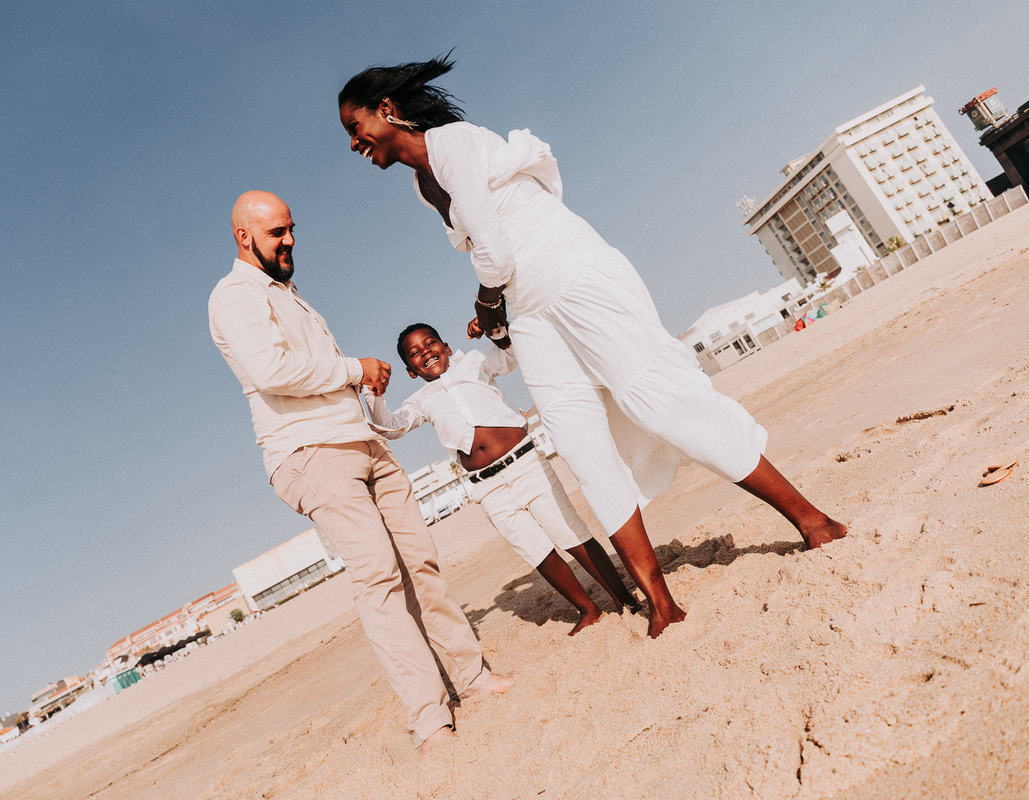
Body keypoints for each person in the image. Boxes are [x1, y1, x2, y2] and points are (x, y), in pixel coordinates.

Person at [337, 57, 847, 638]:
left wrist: (484, 304)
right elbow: (490, 253)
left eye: (354, 128)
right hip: (529, 311)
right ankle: (661, 601)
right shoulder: (419, 185)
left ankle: (813, 520)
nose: (354, 143)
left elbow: (496, 254)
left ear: (387, 110)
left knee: (660, 401)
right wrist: (501, 314)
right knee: (579, 443)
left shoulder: (452, 143)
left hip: (573, 272)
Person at [209, 190, 513, 753]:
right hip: (309, 453)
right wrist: (357, 368)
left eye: (292, 228)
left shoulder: (288, 295)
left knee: (420, 563)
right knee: (377, 576)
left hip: (362, 442)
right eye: (277, 232)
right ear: (243, 237)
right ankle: (429, 720)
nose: (290, 240)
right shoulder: (233, 296)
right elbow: (271, 369)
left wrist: (360, 390)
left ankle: (472, 677)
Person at [365, 322, 643, 636]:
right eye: (415, 354)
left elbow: (511, 355)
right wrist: (373, 394)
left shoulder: (474, 361)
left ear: (444, 345)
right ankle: (588, 609)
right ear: (411, 371)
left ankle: (624, 599)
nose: (425, 353)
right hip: (487, 486)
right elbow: (390, 427)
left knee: (571, 534)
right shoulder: (420, 400)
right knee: (536, 551)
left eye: (430, 344)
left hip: (526, 465)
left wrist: (495, 331)